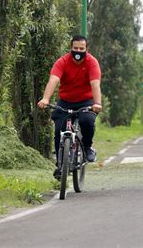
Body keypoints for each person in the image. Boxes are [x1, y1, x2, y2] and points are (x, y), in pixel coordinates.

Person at [37, 35, 102, 179]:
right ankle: (60, 164)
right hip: (65, 101)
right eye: (75, 48)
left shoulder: (92, 62)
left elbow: (95, 84)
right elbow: (53, 80)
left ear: (87, 49)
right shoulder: (62, 62)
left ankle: (87, 147)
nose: (78, 51)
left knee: (87, 122)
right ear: (70, 48)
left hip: (86, 101)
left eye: (81, 49)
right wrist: (46, 98)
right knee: (59, 128)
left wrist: (97, 103)